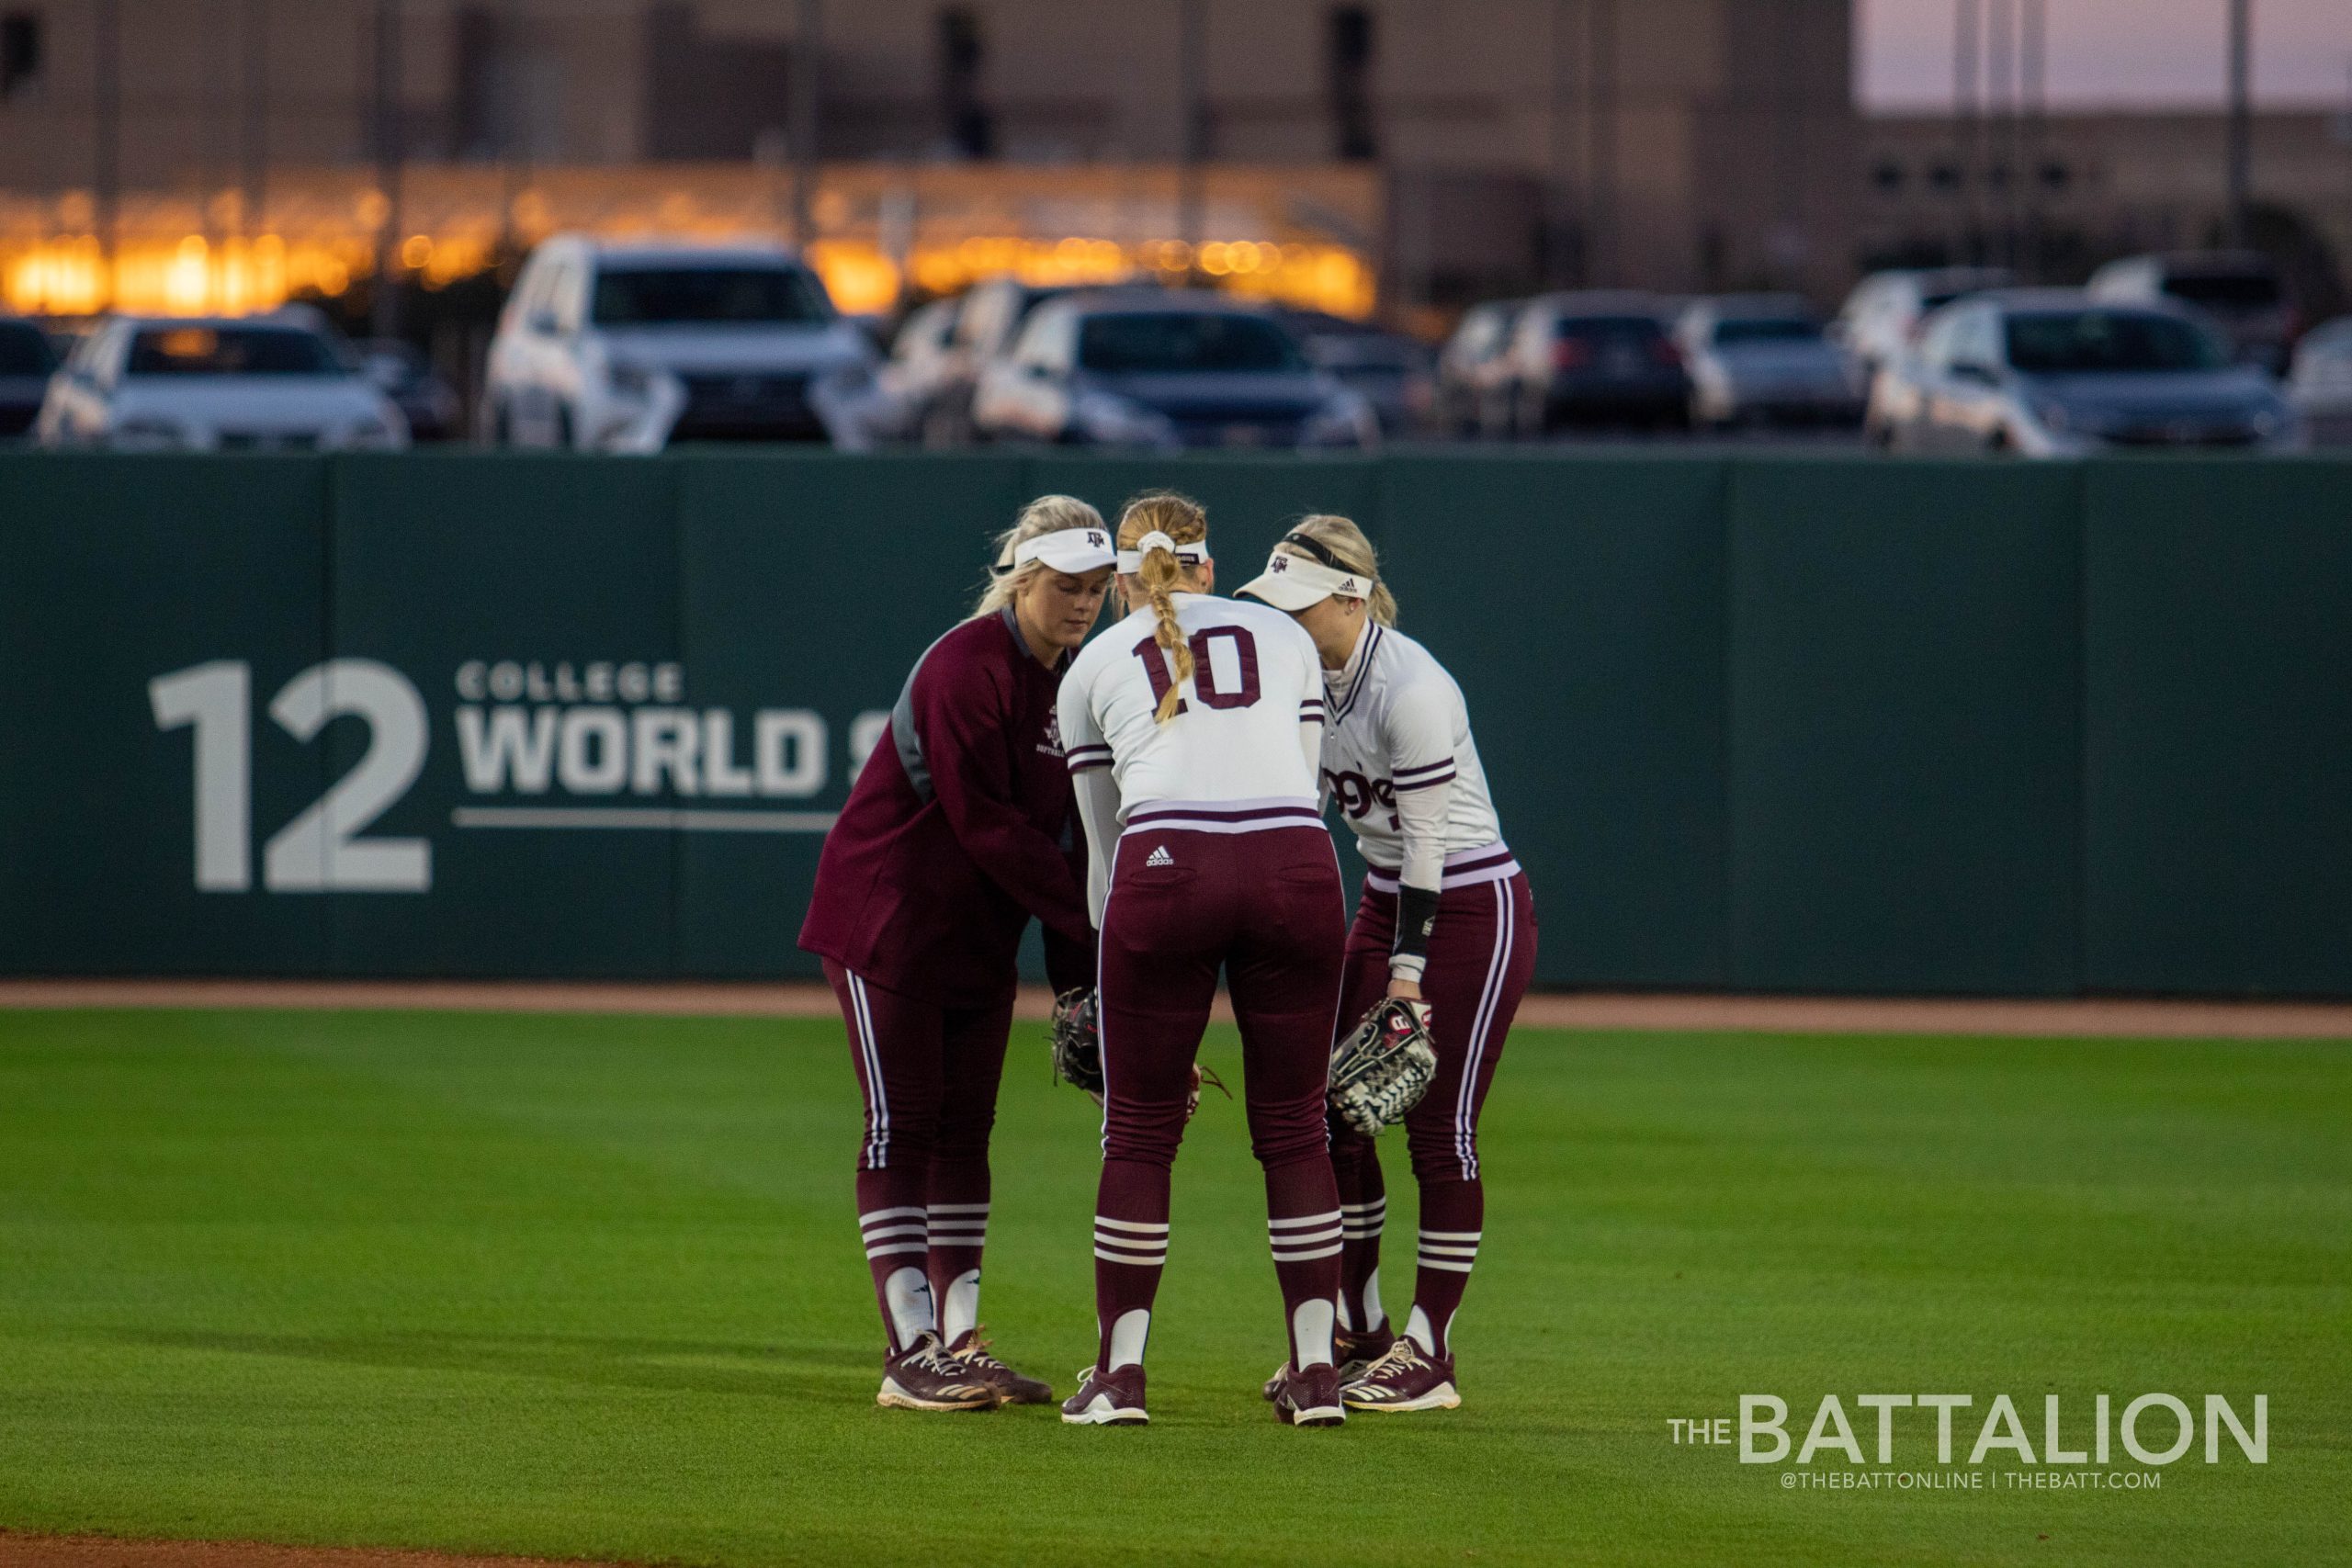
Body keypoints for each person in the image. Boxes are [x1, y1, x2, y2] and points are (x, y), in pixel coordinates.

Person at [799, 495, 1116, 1412]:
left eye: (1097, 588)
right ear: (1022, 579)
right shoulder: (963, 666)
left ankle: (960, 1338)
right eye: (1066, 586)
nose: (1083, 603)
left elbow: (1075, 841)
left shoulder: (1083, 680)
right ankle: (910, 1351)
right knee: (901, 1125)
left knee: (966, 1132)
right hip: (885, 923)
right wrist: (1099, 924)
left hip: (978, 936)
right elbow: (989, 827)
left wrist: (1078, 986)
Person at [1055, 492, 1350, 1427]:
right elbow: (1302, 787)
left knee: (1140, 1132)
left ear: (1117, 584)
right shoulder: (1286, 638)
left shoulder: (1093, 663)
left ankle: (1120, 1377)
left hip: (1163, 870)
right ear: (1206, 566)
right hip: (1295, 867)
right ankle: (1314, 1375)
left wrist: (1116, 977)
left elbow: (1105, 851)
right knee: (1297, 1129)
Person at [1235, 514, 1536, 1414]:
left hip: (1470, 905)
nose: (1282, 618)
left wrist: (1407, 977)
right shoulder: (1298, 677)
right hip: (1381, 894)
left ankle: (1429, 1351)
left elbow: (1431, 844)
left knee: (1437, 1131)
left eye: (1300, 601)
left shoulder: (1411, 685)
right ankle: (1355, 1327)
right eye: (1273, 600)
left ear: (1352, 596)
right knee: (1338, 1114)